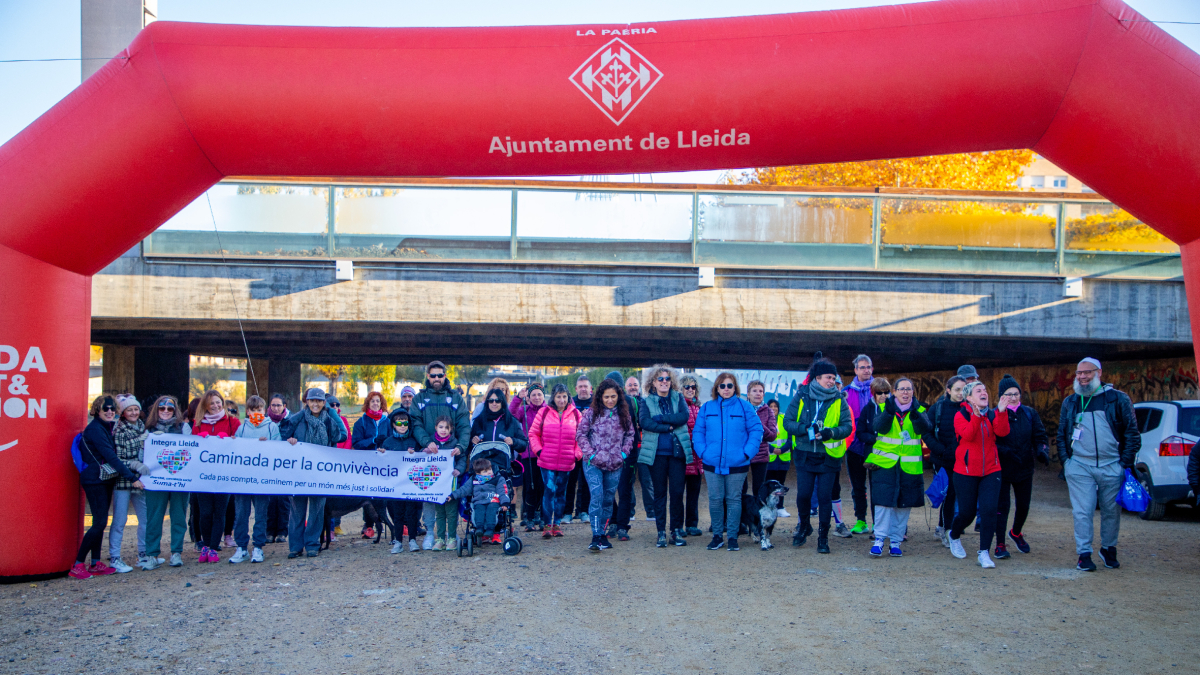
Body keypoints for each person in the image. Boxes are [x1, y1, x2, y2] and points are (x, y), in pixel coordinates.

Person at [1057, 357, 1139, 572]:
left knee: (1112, 511)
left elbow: (1132, 433)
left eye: (1087, 372)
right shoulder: (1071, 402)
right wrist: (1067, 462)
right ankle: (1084, 554)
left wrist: (1123, 463)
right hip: (1079, 465)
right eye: (1079, 373)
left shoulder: (1118, 399)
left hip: (1112, 464)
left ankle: (1108, 548)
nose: (1082, 377)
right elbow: (1061, 433)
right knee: (1082, 511)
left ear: (1099, 373)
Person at [784, 354, 853, 554]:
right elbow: (788, 422)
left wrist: (831, 433)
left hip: (828, 455)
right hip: (805, 453)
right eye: (828, 377)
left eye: (833, 378)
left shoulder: (839, 399)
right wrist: (804, 429)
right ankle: (804, 526)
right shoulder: (802, 395)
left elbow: (847, 426)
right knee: (804, 495)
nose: (832, 381)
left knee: (824, 497)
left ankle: (823, 537)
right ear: (817, 378)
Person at [71, 396, 145, 579]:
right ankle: (78, 564)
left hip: (103, 479)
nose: (110, 411)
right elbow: (111, 457)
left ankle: (95, 562)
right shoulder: (96, 429)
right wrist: (131, 478)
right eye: (106, 409)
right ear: (97, 410)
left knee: (100, 522)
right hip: (94, 480)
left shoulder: (107, 427)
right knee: (99, 523)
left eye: (112, 409)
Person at [694, 373, 764, 552]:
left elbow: (756, 430)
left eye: (730, 386)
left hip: (737, 463)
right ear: (717, 388)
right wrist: (703, 452)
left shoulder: (745, 407)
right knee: (715, 499)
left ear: (735, 388)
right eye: (722, 386)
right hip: (712, 462)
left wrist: (747, 453)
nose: (726, 389)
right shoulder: (707, 407)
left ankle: (733, 537)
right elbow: (698, 432)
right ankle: (717, 535)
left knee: (734, 499)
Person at [863, 378, 929, 557]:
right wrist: (889, 412)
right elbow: (879, 427)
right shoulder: (883, 408)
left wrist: (915, 413)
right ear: (895, 392)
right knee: (883, 503)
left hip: (909, 466)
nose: (905, 392)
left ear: (913, 392)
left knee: (903, 505)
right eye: (902, 389)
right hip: (885, 464)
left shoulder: (920, 410)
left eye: (908, 389)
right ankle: (879, 540)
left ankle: (895, 542)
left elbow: (925, 429)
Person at [949, 381, 1010, 568]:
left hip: (991, 470)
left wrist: (1001, 412)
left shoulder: (992, 414)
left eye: (984, 390)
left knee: (989, 510)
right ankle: (954, 534)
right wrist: (976, 417)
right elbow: (968, 435)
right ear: (969, 397)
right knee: (966, 513)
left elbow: (1003, 432)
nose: (984, 393)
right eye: (978, 391)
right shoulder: (960, 415)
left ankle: (984, 553)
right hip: (965, 471)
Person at [281, 387, 347, 558]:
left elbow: (342, 435)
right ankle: (295, 547)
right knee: (297, 509)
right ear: (307, 402)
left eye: (319, 401)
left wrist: (332, 413)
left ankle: (312, 544)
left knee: (317, 509)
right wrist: (290, 440)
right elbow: (283, 433)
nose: (315, 404)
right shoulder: (298, 418)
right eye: (312, 401)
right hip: (299, 471)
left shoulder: (329, 419)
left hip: (321, 472)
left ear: (324, 403)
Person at [410, 361, 471, 548]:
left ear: (445, 376)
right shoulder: (419, 399)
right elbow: (415, 423)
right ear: (428, 377)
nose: (436, 378)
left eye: (440, 375)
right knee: (429, 496)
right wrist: (426, 442)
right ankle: (431, 532)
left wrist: (461, 446)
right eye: (433, 375)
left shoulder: (456, 398)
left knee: (451, 497)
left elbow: (464, 425)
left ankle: (451, 534)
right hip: (429, 453)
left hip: (451, 455)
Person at [990, 374, 1051, 559]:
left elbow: (1040, 435)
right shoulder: (993, 414)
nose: (1013, 397)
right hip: (1002, 468)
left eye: (1016, 393)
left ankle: (1016, 532)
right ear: (1001, 396)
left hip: (1024, 467)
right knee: (1002, 507)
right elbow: (990, 441)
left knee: (1023, 505)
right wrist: (1006, 452)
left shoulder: (1029, 413)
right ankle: (1000, 543)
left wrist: (1041, 451)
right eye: (1008, 394)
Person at [638, 364, 695, 548]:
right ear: (653, 382)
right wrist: (668, 427)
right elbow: (645, 422)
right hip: (657, 455)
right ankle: (661, 532)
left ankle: (675, 531)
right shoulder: (646, 401)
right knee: (660, 493)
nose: (664, 382)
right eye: (660, 379)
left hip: (677, 453)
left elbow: (683, 417)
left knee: (677, 493)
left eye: (667, 378)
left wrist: (662, 419)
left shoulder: (678, 398)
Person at [576, 378, 635, 552]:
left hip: (615, 464)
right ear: (600, 397)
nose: (610, 400)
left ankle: (602, 533)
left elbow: (630, 435)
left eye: (613, 396)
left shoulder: (624, 414)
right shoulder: (591, 413)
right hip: (593, 463)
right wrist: (591, 454)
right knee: (597, 496)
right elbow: (581, 434)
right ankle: (596, 535)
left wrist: (623, 453)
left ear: (618, 396)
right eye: (606, 397)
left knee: (608, 500)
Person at [470, 388, 529, 542]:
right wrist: (473, 441)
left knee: (498, 495)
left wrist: (513, 441)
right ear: (487, 402)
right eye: (491, 400)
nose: (494, 403)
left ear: (503, 402)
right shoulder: (479, 421)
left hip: (501, 467)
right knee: (481, 495)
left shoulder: (511, 422)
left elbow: (524, 444)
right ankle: (480, 526)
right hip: (481, 467)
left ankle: (497, 529)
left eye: (498, 400)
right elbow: (470, 444)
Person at [228, 395, 280, 564]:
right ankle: (241, 547)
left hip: (262, 479)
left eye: (259, 409)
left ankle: (258, 546)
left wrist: (268, 445)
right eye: (253, 410)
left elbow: (278, 449)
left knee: (261, 514)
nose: (256, 412)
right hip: (243, 478)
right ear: (248, 411)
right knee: (241, 514)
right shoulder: (242, 428)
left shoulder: (272, 427)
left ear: (264, 410)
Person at [141, 395, 190, 570]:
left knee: (178, 516)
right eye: (162, 408)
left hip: (179, 478)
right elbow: (141, 454)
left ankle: (176, 552)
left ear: (175, 410)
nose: (166, 411)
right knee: (154, 517)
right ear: (157, 409)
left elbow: (192, 448)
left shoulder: (183, 427)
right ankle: (152, 554)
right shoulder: (148, 428)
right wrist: (144, 445)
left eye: (170, 408)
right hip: (156, 480)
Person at [106, 394, 153, 573]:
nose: (133, 412)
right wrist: (134, 464)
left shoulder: (143, 427)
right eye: (129, 410)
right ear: (123, 412)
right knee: (120, 520)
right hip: (123, 480)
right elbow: (117, 459)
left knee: (145, 518)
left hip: (141, 480)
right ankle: (115, 557)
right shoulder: (118, 430)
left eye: (135, 409)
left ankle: (143, 553)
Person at [191, 389, 239, 563]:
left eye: (218, 402)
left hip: (224, 475)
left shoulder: (233, 421)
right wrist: (198, 440)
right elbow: (192, 447)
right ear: (205, 405)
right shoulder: (198, 423)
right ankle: (205, 545)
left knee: (220, 512)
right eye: (211, 403)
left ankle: (213, 548)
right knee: (205, 512)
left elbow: (241, 443)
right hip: (203, 476)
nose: (216, 405)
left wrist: (231, 440)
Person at [530, 384, 583, 538]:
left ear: (568, 397)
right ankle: (547, 524)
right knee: (549, 491)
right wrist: (539, 451)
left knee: (561, 492)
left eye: (564, 396)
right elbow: (533, 433)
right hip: (547, 461)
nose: (561, 400)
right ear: (553, 397)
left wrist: (576, 454)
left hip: (567, 460)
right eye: (558, 396)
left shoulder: (576, 414)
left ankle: (557, 524)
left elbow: (583, 436)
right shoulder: (544, 412)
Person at [923, 375, 967, 547]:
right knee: (948, 495)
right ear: (948, 390)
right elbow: (926, 432)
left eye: (964, 389)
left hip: (964, 460)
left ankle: (943, 526)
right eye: (957, 389)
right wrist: (940, 450)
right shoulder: (938, 408)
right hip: (943, 460)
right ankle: (947, 530)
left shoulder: (970, 408)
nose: (961, 393)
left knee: (959, 494)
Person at [379, 408, 423, 553]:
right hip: (395, 485)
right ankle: (398, 541)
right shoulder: (388, 442)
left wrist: (415, 454)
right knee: (397, 513)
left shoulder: (414, 441)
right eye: (399, 423)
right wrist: (382, 454)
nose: (402, 426)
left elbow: (422, 459)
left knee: (412, 513)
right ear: (393, 424)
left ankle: (412, 540)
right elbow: (382, 463)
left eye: (405, 423)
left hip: (410, 484)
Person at [611, 371, 648, 541]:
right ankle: (613, 521)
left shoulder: (631, 402)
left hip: (628, 453)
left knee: (624, 490)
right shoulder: (603, 402)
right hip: (608, 454)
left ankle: (622, 526)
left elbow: (636, 427)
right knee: (608, 490)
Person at [842, 354, 875, 534]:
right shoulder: (846, 392)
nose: (866, 370)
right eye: (862, 367)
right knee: (858, 486)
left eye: (868, 367)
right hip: (854, 446)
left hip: (876, 446)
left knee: (877, 485)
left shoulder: (880, 390)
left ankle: (878, 522)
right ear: (855, 370)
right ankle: (861, 520)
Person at [510, 381, 548, 530]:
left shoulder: (548, 410)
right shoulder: (524, 411)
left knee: (543, 486)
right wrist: (518, 398)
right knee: (530, 486)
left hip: (546, 454)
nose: (537, 397)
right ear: (529, 397)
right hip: (529, 454)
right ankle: (529, 516)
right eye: (533, 395)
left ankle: (541, 515)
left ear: (543, 396)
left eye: (539, 394)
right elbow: (512, 413)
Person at [426, 416, 465, 550]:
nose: (443, 430)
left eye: (446, 428)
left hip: (451, 483)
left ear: (451, 429)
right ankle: (440, 538)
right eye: (441, 427)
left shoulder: (455, 443)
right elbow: (422, 459)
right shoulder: (431, 443)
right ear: (436, 428)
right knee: (440, 512)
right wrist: (424, 451)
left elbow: (462, 459)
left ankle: (452, 537)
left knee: (451, 512)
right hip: (437, 484)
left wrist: (459, 469)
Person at [450, 457, 511, 542]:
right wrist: (453, 495)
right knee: (479, 511)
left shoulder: (498, 478)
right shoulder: (474, 479)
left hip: (493, 500)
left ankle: (490, 529)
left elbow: (502, 491)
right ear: (478, 473)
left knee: (491, 511)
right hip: (479, 501)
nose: (489, 472)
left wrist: (505, 503)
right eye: (485, 471)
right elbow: (464, 489)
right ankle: (479, 528)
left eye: (490, 469)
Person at [564, 375, 594, 524]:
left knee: (587, 482)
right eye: (580, 386)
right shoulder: (570, 404)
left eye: (585, 386)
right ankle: (567, 512)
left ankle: (584, 511)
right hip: (572, 447)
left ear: (591, 389)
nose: (583, 389)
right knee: (570, 481)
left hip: (589, 447)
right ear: (576, 389)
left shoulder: (596, 403)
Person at [264, 393, 293, 543]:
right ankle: (269, 531)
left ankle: (282, 531)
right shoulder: (263, 421)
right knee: (270, 500)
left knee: (283, 499)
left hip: (285, 465)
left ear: (284, 406)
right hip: (268, 465)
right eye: (273, 405)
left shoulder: (291, 421)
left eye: (278, 405)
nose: (276, 408)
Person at [679, 374, 704, 537]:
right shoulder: (677, 407)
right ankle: (678, 525)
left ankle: (692, 524)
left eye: (693, 387)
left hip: (697, 459)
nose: (690, 389)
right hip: (682, 457)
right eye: (687, 387)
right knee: (678, 494)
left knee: (694, 494)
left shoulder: (700, 408)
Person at [744, 380, 778, 500]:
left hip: (761, 455)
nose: (758, 393)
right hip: (742, 453)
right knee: (741, 488)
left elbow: (772, 436)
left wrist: (758, 424)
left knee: (759, 489)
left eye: (761, 391)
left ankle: (758, 512)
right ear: (748, 394)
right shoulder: (742, 409)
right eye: (754, 391)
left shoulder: (769, 411)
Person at [765, 399, 791, 517]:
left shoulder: (784, 419)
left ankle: (780, 507)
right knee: (769, 484)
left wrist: (782, 450)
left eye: (775, 406)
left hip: (783, 458)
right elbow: (762, 438)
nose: (773, 408)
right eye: (771, 406)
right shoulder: (764, 419)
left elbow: (790, 438)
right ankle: (768, 507)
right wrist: (773, 449)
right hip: (770, 458)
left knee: (781, 484)